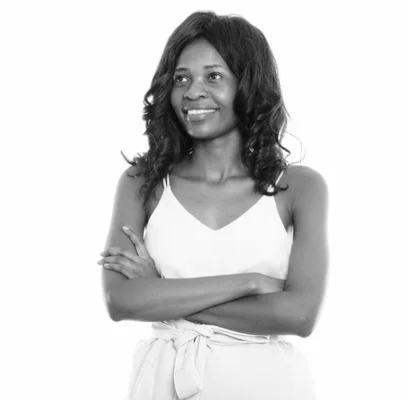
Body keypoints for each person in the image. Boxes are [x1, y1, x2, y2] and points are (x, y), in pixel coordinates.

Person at [99, 10, 328, 400]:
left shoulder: (299, 187)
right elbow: (121, 301)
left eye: (214, 76)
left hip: (268, 388)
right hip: (163, 385)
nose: (192, 92)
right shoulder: (143, 182)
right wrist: (250, 283)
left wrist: (160, 293)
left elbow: (299, 315)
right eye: (181, 78)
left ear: (248, 86)